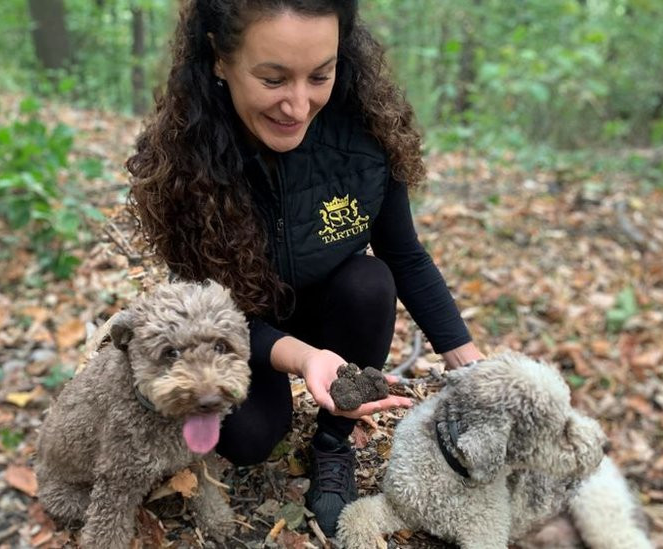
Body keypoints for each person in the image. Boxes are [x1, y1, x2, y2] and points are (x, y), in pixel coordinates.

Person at [126, 0, 484, 537]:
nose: (298, 104)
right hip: (240, 327)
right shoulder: (184, 160)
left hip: (333, 307)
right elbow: (206, 310)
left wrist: (473, 368)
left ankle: (333, 443)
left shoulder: (366, 136)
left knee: (371, 281)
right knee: (246, 440)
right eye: (273, 79)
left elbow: (404, 255)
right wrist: (304, 358)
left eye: (321, 74)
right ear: (219, 60)